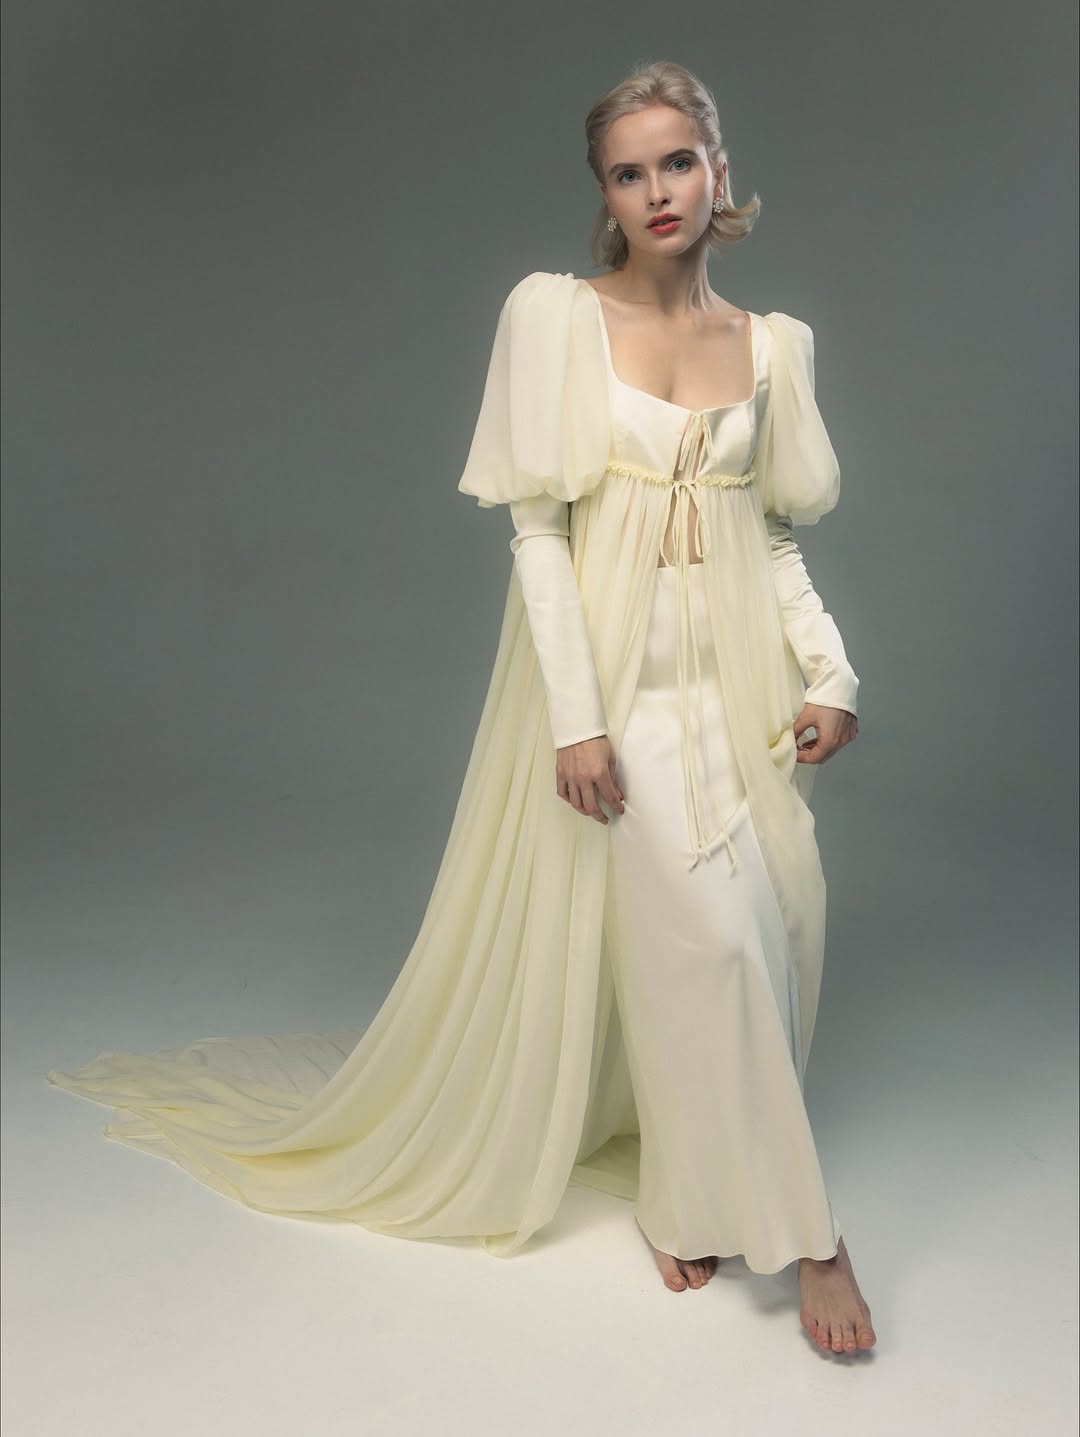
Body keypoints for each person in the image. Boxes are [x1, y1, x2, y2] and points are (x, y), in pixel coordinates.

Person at [47, 60, 876, 1356]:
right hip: (625, 702)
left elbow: (771, 539)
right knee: (714, 946)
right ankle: (816, 1240)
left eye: (677, 161)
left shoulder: (772, 346)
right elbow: (538, 534)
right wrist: (576, 720)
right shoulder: (556, 320)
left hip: (740, 700)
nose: (658, 191)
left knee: (743, 950)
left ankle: (685, 1193)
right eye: (628, 172)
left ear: (719, 167)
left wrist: (832, 673)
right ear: (604, 193)